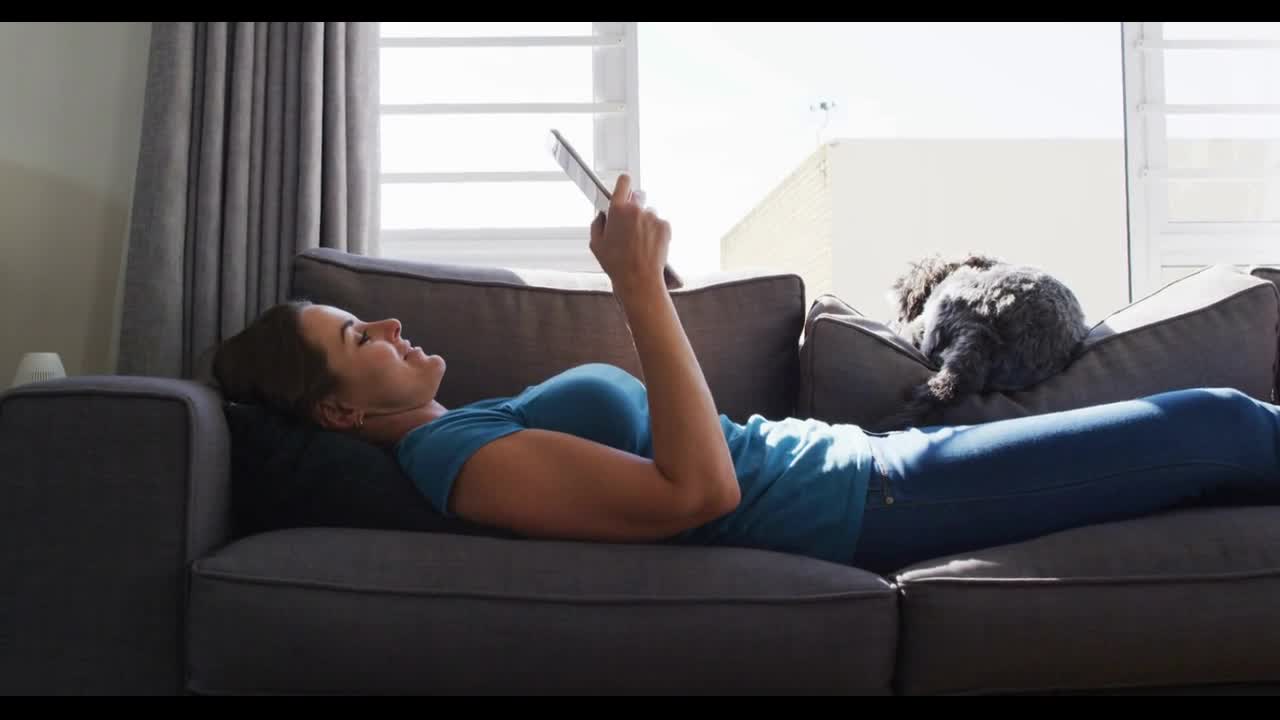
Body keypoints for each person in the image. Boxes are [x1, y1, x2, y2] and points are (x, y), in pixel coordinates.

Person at [212, 174, 1280, 575]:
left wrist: (651, 286)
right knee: (1213, 426)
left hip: (868, 464)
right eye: (358, 337)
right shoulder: (454, 459)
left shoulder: (466, 419)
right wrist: (638, 292)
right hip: (870, 500)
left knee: (1215, 448)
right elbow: (697, 494)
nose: (389, 322)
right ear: (340, 409)